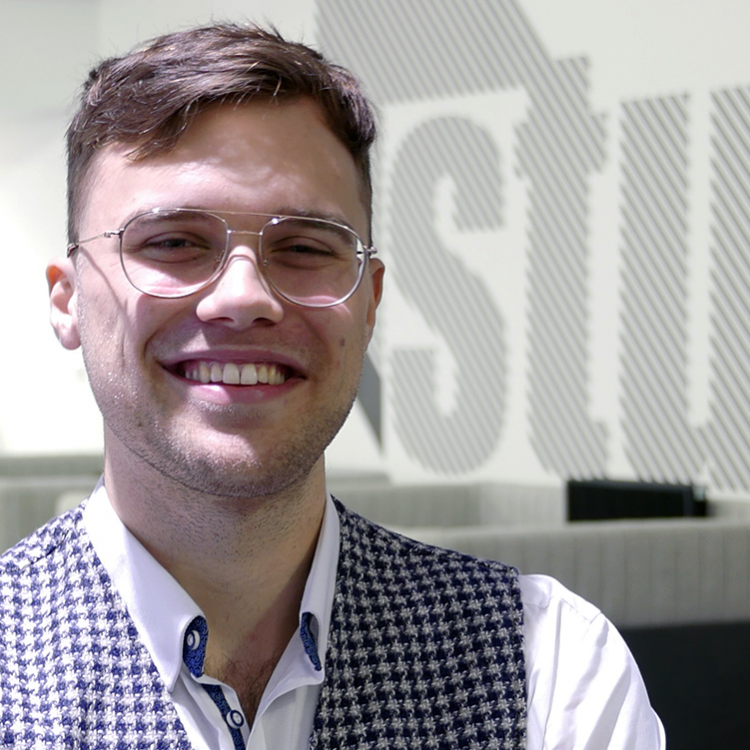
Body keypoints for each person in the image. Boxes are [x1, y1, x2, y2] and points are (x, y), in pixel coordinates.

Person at [0, 22, 664, 750]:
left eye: (304, 247)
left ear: (370, 301)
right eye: (173, 242)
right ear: (67, 300)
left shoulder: (551, 669)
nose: (243, 296)